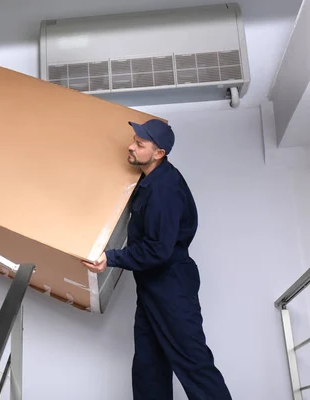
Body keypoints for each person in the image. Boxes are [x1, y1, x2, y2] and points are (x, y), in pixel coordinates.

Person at [82, 119, 231, 399]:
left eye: (140, 144)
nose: (131, 146)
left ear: (159, 153)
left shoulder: (165, 189)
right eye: (134, 139)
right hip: (152, 286)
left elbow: (158, 249)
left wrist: (109, 258)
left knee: (193, 364)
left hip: (171, 284)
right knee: (148, 369)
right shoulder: (149, 180)